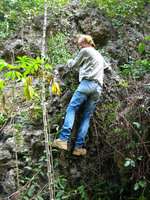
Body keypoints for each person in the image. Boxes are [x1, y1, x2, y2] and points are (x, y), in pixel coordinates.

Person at [51, 34, 111, 156]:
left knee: (71, 109)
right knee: (86, 117)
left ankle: (63, 140)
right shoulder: (99, 55)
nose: (80, 47)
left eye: (82, 43)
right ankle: (78, 148)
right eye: (79, 45)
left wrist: (69, 61)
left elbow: (73, 64)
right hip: (98, 88)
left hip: (86, 84)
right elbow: (108, 69)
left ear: (89, 43)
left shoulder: (86, 51)